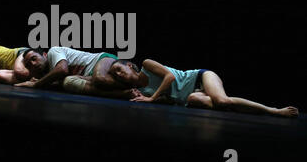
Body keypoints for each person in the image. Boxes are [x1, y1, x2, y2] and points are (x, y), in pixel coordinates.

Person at [108, 59, 299, 118]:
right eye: (115, 74)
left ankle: (273, 110)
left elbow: (170, 76)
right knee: (198, 101)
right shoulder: (141, 91)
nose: (118, 74)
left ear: (129, 65)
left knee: (221, 101)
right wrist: (152, 99)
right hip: (191, 95)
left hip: (199, 77)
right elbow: (167, 98)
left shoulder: (146, 65)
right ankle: (238, 107)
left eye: (119, 69)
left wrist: (151, 99)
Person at [15, 47, 135, 98]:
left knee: (99, 79)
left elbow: (62, 69)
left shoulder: (54, 51)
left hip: (102, 61)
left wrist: (37, 84)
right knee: (69, 83)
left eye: (34, 58)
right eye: (29, 65)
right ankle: (125, 92)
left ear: (44, 55)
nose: (33, 64)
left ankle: (134, 84)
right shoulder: (49, 76)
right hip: (92, 78)